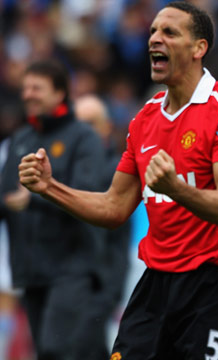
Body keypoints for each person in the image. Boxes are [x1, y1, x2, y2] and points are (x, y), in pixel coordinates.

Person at [17, 2, 218, 359]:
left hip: (214, 282)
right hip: (155, 283)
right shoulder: (144, 119)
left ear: (199, 48)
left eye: (169, 33)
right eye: (152, 32)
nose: (154, 40)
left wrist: (175, 188)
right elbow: (114, 207)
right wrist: (49, 187)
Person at [0, 59, 108, 359]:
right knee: (48, 351)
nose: (27, 94)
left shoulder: (84, 137)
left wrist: (35, 197)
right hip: (30, 269)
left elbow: (89, 194)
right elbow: (5, 195)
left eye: (36, 88)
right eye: (25, 88)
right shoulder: (21, 139)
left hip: (72, 268)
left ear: (60, 93)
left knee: (55, 350)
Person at [74, 94, 131, 358]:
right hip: (63, 276)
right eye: (78, 124)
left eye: (91, 123)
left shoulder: (120, 170)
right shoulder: (62, 170)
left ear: (106, 126)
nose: (83, 132)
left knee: (84, 346)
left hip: (102, 278)